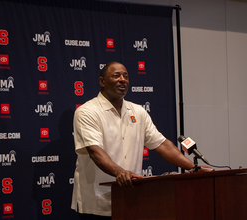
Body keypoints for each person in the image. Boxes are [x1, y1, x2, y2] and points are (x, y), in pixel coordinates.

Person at [71, 61, 200, 219]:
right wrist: (121, 172)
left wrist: (194, 169)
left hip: (131, 197)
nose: (122, 79)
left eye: (126, 76)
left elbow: (162, 144)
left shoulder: (138, 111)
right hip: (97, 202)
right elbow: (95, 152)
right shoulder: (87, 111)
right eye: (116, 76)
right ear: (102, 81)